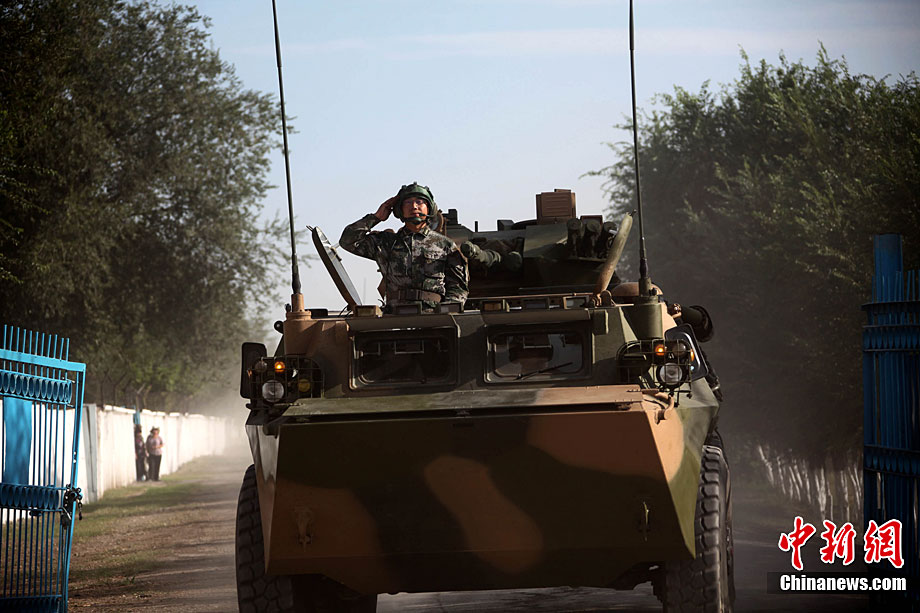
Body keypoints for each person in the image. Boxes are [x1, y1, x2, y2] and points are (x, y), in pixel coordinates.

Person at [340, 182, 468, 311]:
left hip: (432, 314)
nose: (414, 206)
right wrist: (376, 217)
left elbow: (458, 288)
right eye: (408, 202)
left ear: (430, 208)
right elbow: (347, 241)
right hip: (394, 313)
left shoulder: (445, 245)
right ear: (399, 210)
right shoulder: (384, 242)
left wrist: (446, 312)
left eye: (419, 202)